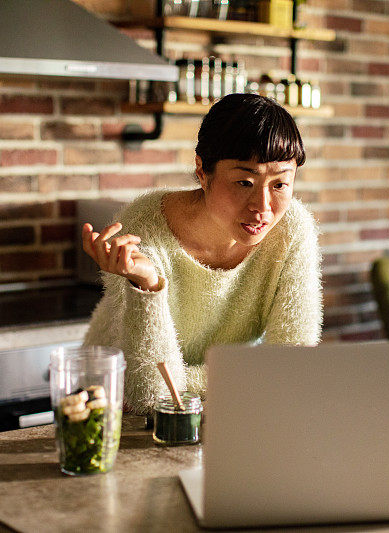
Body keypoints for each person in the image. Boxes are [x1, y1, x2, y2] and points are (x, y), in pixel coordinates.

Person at [82, 93, 322, 414]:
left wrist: (193, 382)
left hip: (221, 409)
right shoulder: (144, 228)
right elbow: (152, 396)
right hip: (111, 407)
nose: (262, 208)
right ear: (202, 171)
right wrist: (148, 286)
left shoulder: (293, 229)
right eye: (244, 182)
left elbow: (291, 366)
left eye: (280, 185)